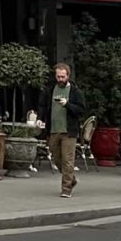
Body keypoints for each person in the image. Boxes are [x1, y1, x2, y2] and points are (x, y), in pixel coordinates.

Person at [47, 62, 87, 195]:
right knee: (56, 158)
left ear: (68, 76)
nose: (60, 79)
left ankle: (66, 189)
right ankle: (71, 179)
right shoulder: (51, 89)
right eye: (58, 76)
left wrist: (68, 104)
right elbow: (44, 106)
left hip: (69, 131)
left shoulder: (75, 92)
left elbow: (81, 110)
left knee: (68, 160)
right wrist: (41, 118)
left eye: (63, 77)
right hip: (53, 129)